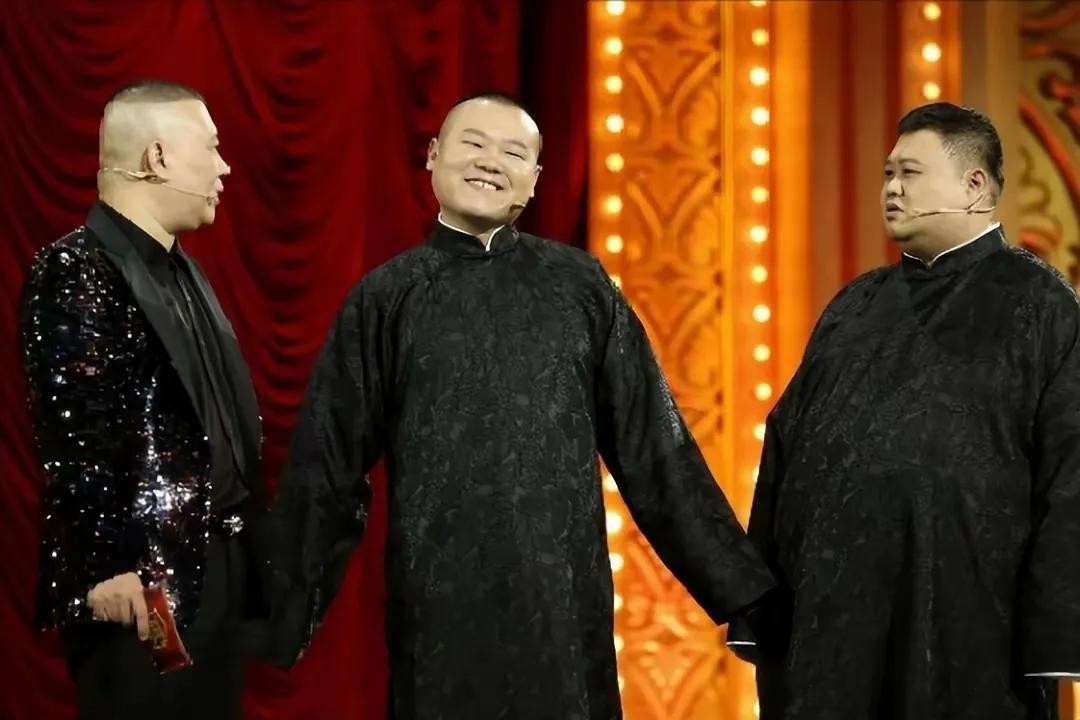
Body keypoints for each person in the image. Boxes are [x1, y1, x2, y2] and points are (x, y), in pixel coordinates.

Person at [266, 92, 776, 720]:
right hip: (439, 609)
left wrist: (743, 592)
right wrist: (275, 610)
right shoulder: (386, 298)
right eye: (472, 143)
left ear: (533, 180)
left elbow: (655, 449)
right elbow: (326, 466)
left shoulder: (581, 287)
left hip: (561, 608)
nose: (490, 161)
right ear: (433, 156)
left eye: (513, 153)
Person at [729, 101, 1080, 720]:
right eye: (887, 174)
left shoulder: (1041, 304)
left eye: (910, 173)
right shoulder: (853, 307)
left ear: (975, 186)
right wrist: (762, 609)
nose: (891, 188)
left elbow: (1071, 473)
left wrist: (1055, 635)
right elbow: (784, 449)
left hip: (970, 622)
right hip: (831, 623)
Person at [20, 79, 271, 719]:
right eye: (211, 148)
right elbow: (74, 432)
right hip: (140, 582)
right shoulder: (76, 268)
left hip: (214, 570)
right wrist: (107, 564)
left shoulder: (183, 269)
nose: (224, 167)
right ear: (157, 157)